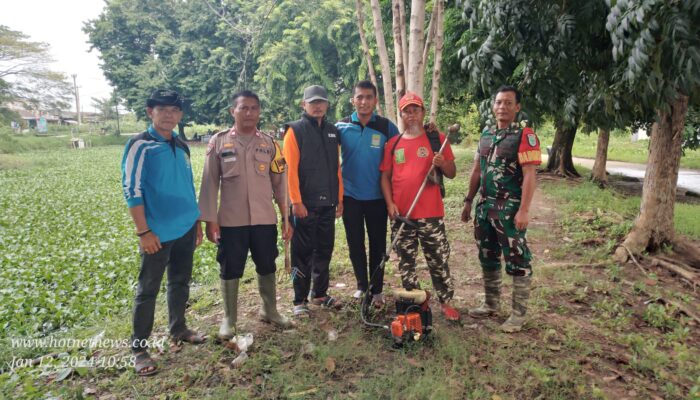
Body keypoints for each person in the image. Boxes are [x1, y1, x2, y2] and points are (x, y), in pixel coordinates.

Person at [120, 89, 205, 377]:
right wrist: (143, 231)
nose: (169, 114)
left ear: (180, 115)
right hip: (156, 233)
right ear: (150, 112)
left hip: (185, 227)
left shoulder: (181, 145)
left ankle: (178, 328)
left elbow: (186, 186)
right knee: (148, 289)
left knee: (180, 281)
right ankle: (139, 349)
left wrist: (196, 222)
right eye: (162, 109)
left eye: (174, 110)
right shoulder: (139, 145)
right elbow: (132, 190)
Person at [199, 90, 294, 341]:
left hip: (264, 218)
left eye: (254, 108)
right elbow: (209, 183)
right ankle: (229, 318)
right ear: (233, 111)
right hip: (232, 220)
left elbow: (280, 184)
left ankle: (269, 310)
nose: (249, 112)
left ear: (259, 111)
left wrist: (286, 218)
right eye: (244, 108)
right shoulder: (218, 142)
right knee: (230, 267)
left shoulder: (270, 143)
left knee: (266, 263)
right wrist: (210, 220)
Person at [461, 85, 541, 333]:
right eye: (498, 102)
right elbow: (477, 170)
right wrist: (468, 201)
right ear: (493, 106)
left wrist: (524, 210)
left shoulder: (525, 135)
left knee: (517, 258)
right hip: (484, 207)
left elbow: (529, 175)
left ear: (517, 107)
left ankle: (518, 315)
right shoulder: (486, 134)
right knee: (487, 255)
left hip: (509, 209)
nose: (502, 107)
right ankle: (491, 303)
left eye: (508, 103)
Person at [379, 92, 460, 321]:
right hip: (402, 215)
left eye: (415, 110)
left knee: (438, 258)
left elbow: (452, 173)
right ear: (401, 114)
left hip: (430, 214)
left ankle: (446, 302)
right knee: (406, 261)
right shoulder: (393, 144)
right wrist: (390, 204)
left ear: (422, 112)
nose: (411, 114)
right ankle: (417, 301)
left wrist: (443, 163)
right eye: (406, 110)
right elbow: (385, 177)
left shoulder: (437, 139)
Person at [335, 81, 399, 307]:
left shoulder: (386, 127)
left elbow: (402, 149)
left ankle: (377, 289)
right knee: (355, 243)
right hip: (350, 197)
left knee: (377, 244)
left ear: (375, 101)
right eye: (359, 97)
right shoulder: (340, 127)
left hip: (377, 197)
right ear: (353, 100)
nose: (364, 102)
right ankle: (362, 286)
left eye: (368, 97)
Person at [283, 85, 344, 317]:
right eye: (313, 102)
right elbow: (289, 171)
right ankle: (299, 299)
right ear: (304, 105)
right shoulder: (295, 131)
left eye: (322, 102)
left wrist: (339, 198)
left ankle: (319, 294)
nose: (318, 106)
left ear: (327, 105)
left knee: (324, 250)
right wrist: (295, 202)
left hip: (327, 203)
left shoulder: (332, 131)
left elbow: (336, 168)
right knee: (301, 254)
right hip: (303, 206)